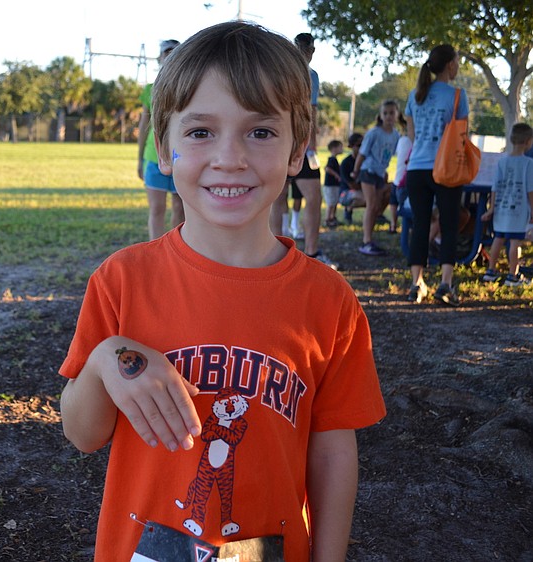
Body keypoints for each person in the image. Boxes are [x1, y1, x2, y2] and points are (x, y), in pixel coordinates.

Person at [59, 22, 386, 562]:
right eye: (200, 132)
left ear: (296, 150)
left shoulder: (330, 302)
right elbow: (82, 434)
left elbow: (332, 454)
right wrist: (103, 362)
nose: (229, 157)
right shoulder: (122, 280)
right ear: (164, 150)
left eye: (260, 132)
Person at [404, 44, 468, 306]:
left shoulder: (415, 93)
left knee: (420, 224)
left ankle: (416, 284)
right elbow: (462, 137)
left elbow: (411, 135)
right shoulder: (456, 95)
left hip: (416, 168)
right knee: (449, 225)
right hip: (445, 169)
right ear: (451, 64)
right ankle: (445, 284)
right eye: (458, 62)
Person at [270, 32, 337, 268]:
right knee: (313, 197)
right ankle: (311, 253)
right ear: (312, 50)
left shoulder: (278, 73)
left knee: (278, 198)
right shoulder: (310, 75)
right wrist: (312, 146)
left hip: (277, 143)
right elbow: (312, 113)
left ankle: (274, 256)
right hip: (299, 145)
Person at [138, 39, 184, 240]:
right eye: (166, 53)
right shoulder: (149, 89)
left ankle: (177, 248)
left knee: (179, 207)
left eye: (174, 52)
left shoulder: (187, 89)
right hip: (153, 156)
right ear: (160, 58)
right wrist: (139, 158)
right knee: (156, 208)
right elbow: (143, 124)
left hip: (180, 156)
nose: (169, 57)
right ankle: (154, 250)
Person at [480, 122, 533, 286]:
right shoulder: (529, 164)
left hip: (501, 208)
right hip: (519, 210)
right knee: (515, 243)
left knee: (498, 238)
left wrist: (492, 208)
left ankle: (490, 271)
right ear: (528, 141)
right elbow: (530, 190)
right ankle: (513, 275)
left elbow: (495, 187)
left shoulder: (502, 162)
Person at [351, 100, 402, 256]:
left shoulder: (396, 135)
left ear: (397, 114)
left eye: (392, 113)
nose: (388, 116)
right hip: (368, 171)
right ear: (380, 115)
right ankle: (366, 241)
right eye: (385, 113)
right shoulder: (374, 133)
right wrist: (355, 171)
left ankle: (370, 237)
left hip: (380, 173)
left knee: (376, 206)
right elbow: (362, 153)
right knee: (372, 205)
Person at [390, 121, 414, 233]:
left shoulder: (402, 140)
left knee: (394, 199)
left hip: (398, 181)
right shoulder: (416, 143)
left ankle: (393, 225)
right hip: (406, 183)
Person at [339, 133, 363, 224]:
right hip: (346, 193)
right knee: (370, 197)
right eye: (359, 145)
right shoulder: (346, 163)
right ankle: (348, 209)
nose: (362, 148)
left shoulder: (366, 161)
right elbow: (351, 185)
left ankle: (378, 215)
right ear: (351, 146)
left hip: (361, 190)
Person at [323, 139, 344, 227]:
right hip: (330, 185)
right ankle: (327, 219)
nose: (342, 149)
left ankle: (333, 217)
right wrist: (336, 175)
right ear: (334, 148)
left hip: (335, 185)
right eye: (340, 147)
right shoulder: (331, 159)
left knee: (334, 202)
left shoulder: (335, 160)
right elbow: (327, 168)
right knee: (331, 203)